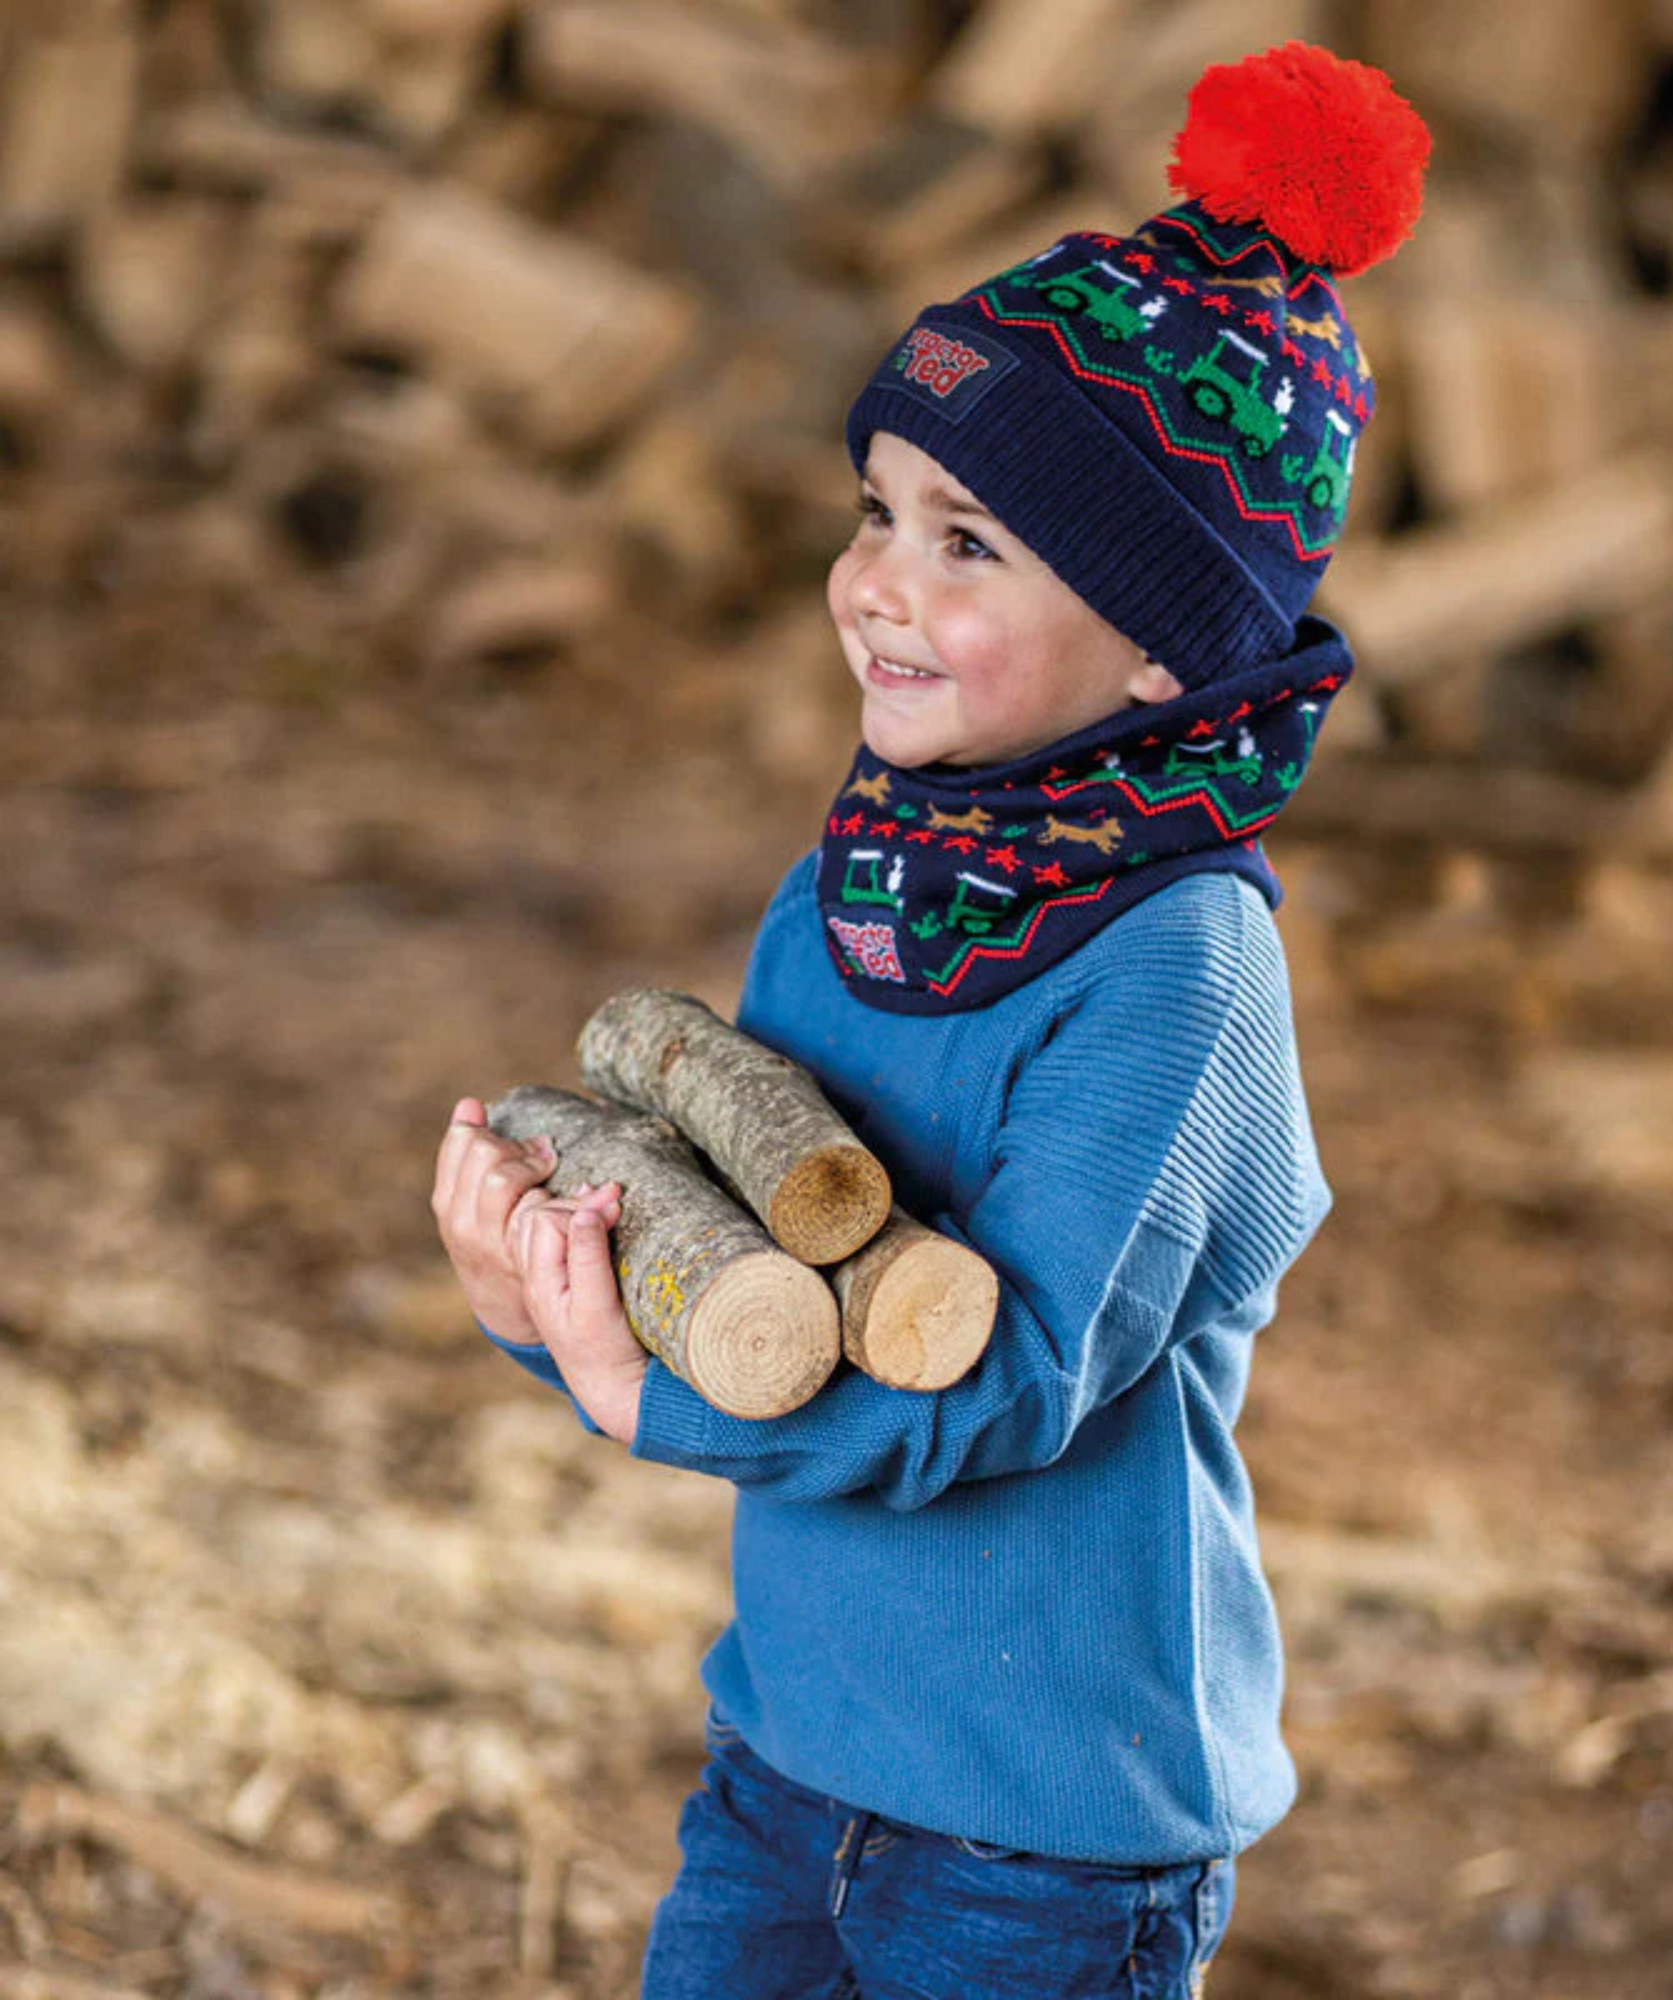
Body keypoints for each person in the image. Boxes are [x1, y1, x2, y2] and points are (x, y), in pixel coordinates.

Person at [432, 41, 1428, 2000]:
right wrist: (553, 1301)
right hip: (790, 1751)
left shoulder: (1176, 969)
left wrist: (648, 1404)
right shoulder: (864, 879)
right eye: (876, 507)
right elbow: (749, 1267)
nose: (874, 584)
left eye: (967, 542)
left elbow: (1010, 1380)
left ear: (1163, 639)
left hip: (1043, 1829)